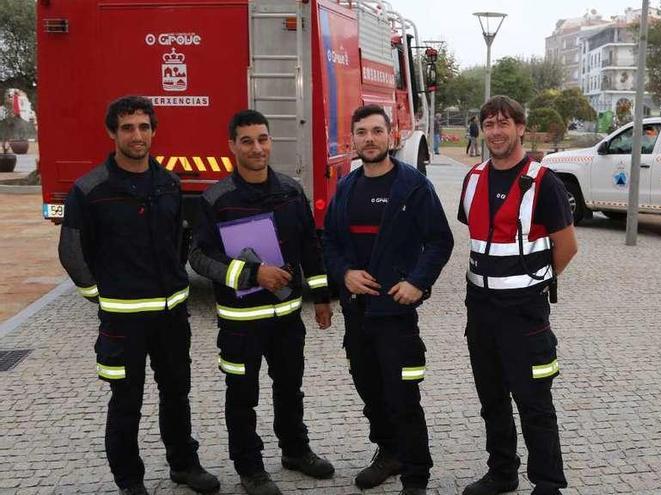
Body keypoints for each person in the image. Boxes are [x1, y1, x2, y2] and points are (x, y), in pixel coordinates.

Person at [58, 96, 219, 495]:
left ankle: (184, 465)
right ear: (112, 132)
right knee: (126, 402)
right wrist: (101, 295)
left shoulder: (169, 183)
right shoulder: (90, 189)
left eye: (144, 127)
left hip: (171, 315)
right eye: (128, 127)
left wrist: (175, 284)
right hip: (122, 320)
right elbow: (71, 250)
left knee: (176, 393)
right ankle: (130, 481)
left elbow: (174, 242)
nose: (137, 135)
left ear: (153, 132)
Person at [189, 110, 334, 495]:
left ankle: (295, 451)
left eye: (263, 139)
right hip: (240, 323)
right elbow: (200, 258)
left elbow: (310, 247)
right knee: (242, 396)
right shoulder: (216, 198)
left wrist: (321, 297)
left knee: (290, 389)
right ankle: (250, 468)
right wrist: (254, 274)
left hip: (287, 319)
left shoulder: (290, 191)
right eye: (248, 140)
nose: (257, 148)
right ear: (232, 146)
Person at [322, 104, 454, 495]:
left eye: (376, 131)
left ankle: (416, 476)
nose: (369, 139)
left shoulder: (412, 186)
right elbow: (329, 241)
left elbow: (439, 241)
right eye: (361, 132)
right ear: (353, 139)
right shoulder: (346, 187)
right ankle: (389, 451)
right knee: (369, 389)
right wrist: (344, 272)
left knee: (402, 396)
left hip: (395, 315)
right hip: (357, 314)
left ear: (390, 135)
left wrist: (417, 282)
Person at [457, 95, 578, 495]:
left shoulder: (545, 182)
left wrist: (537, 280)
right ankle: (502, 473)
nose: (496, 131)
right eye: (489, 123)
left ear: (521, 128)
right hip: (481, 309)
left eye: (504, 123)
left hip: (524, 313)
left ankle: (547, 485)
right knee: (492, 399)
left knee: (534, 402)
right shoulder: (473, 179)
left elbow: (567, 246)